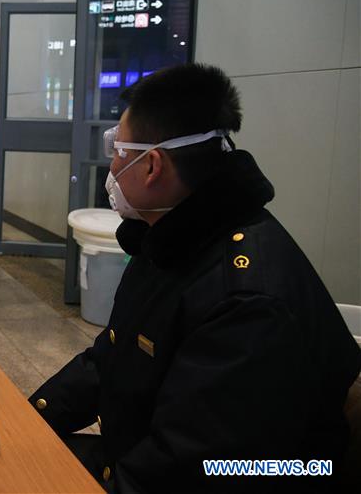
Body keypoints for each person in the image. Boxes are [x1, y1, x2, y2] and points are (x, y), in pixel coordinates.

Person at [29, 63, 361, 493]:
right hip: (143, 453)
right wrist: (25, 420)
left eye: (117, 148)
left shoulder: (246, 302)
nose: (112, 164)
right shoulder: (173, 236)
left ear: (152, 166)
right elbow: (111, 359)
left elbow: (188, 467)